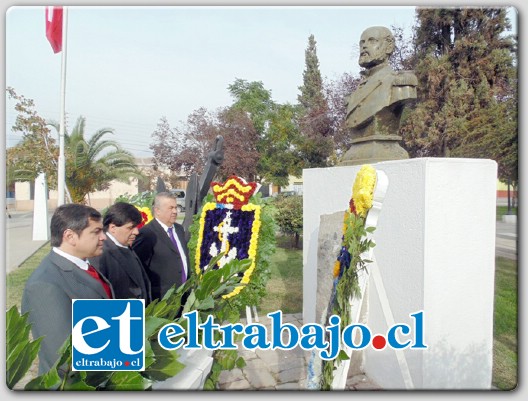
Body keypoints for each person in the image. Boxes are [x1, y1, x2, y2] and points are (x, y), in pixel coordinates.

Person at [21, 204, 112, 375]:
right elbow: (62, 358)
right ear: (70, 236)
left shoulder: (84, 265)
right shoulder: (44, 285)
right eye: (96, 231)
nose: (104, 237)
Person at [341, 26, 417, 164]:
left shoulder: (398, 82)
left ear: (388, 47)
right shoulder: (356, 92)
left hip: (384, 154)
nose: (364, 46)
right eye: (362, 42)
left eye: (372, 41)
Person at [90, 202, 152, 305]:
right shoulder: (100, 254)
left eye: (136, 227)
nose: (136, 232)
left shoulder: (126, 246)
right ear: (113, 228)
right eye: (130, 228)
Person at [132, 192, 190, 301]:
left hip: (184, 297)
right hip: (161, 300)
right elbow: (138, 269)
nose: (174, 211)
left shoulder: (179, 229)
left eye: (175, 207)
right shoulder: (147, 234)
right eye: (170, 208)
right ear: (157, 210)